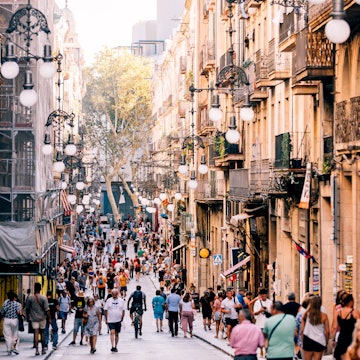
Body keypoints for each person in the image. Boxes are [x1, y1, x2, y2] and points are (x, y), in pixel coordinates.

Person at [300, 296, 330, 360]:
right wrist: (326, 342)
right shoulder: (324, 316)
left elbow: (302, 330)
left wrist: (302, 341)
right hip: (319, 340)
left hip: (308, 339)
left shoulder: (306, 314)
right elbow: (327, 331)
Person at [333, 293, 360, 360]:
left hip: (341, 339)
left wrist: (333, 339)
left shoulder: (337, 312)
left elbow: (334, 327)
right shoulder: (355, 313)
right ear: (351, 301)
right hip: (351, 339)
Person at [25, 282, 50, 356]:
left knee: (36, 333)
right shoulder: (44, 298)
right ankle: (42, 350)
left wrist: (27, 316)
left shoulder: (30, 298)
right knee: (42, 333)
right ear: (40, 288)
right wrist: (50, 318)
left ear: (34, 288)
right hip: (42, 318)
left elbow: (27, 308)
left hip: (34, 318)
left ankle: (36, 350)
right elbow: (47, 309)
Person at [0, 290, 22, 355]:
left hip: (7, 320)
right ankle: (14, 347)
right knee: (14, 334)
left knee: (7, 335)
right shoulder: (17, 304)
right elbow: (19, 313)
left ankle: (9, 349)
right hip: (14, 320)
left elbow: (2, 312)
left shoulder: (5, 303)